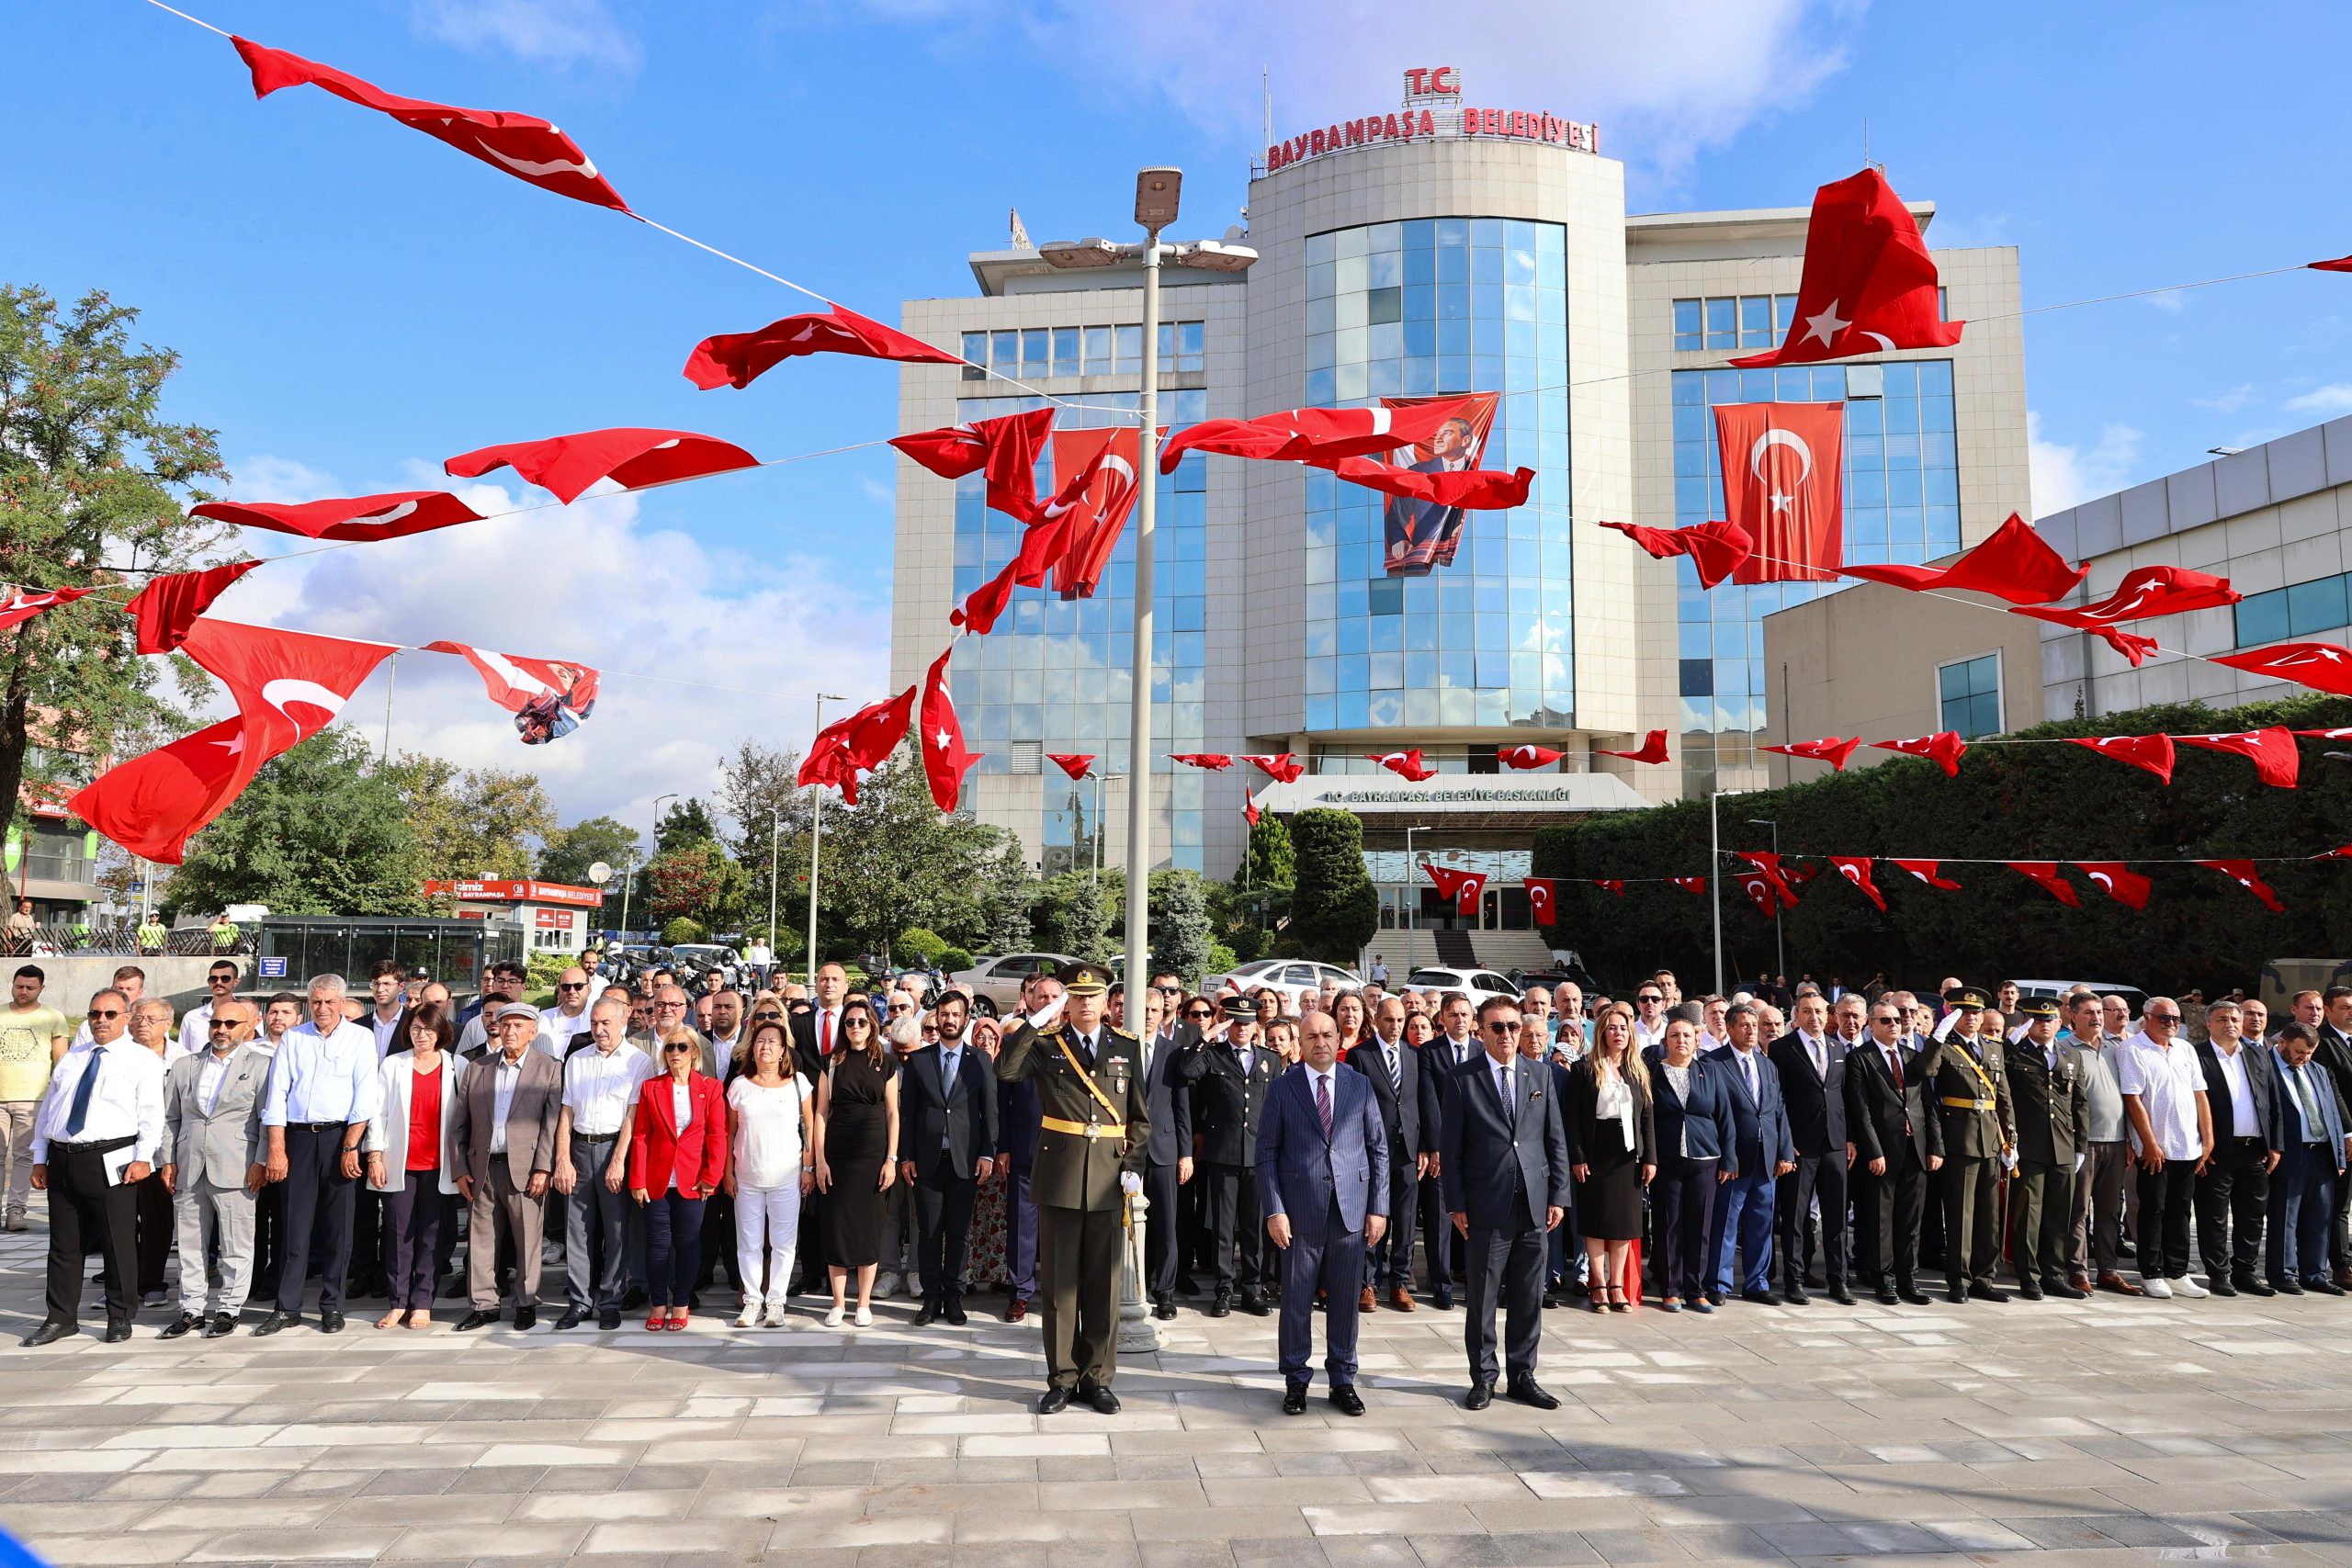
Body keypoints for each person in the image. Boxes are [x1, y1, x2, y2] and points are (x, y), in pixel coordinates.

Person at [994, 962, 1148, 1416]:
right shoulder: (1046, 1045)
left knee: (1103, 1284)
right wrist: (1037, 1020)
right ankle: (1061, 1378)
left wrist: (1133, 1164)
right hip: (1060, 1177)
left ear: (1106, 1003)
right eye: (1075, 997)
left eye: (1092, 997)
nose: (1084, 1004)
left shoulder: (1126, 1047)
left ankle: (1097, 1378)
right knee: (1060, 1286)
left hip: (1107, 1178)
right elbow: (1006, 1070)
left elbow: (1139, 1115)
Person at [1440, 996, 1568, 1411]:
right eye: (1497, 1027)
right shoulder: (1463, 1079)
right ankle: (1483, 1378)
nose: (1508, 1035)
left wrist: (1559, 1196)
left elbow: (1555, 1141)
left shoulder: (1541, 1075)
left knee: (1529, 1295)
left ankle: (1523, 1375)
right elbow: (1451, 1148)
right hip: (1485, 1204)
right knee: (1482, 1298)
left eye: (1514, 1026)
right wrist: (1455, 1203)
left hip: (1533, 1202)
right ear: (1481, 1031)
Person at [1258, 1010, 1387, 1416]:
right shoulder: (1282, 1088)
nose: (1321, 1042)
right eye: (1312, 1036)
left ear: (1338, 1038)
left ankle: (1343, 1380)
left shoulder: (1360, 1084)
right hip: (1299, 1214)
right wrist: (1275, 1210)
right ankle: (1296, 1380)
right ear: (1300, 1041)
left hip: (1351, 1211)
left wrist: (1378, 1208)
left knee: (1346, 1301)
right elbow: (1266, 1155)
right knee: (1296, 1299)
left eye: (1328, 1034)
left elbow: (1378, 1149)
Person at [20, 988, 164, 1346]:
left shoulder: (141, 1059)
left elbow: (151, 1113)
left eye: (110, 1014)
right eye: (95, 1014)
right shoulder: (72, 1057)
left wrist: (144, 1157)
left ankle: (119, 1315)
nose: (101, 1020)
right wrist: (40, 1157)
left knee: (118, 1241)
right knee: (64, 1244)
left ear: (127, 1018)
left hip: (112, 1156)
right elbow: (50, 1111)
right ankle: (60, 1317)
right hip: (64, 1155)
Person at [254, 975, 382, 1336]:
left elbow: (365, 1097)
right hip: (298, 1139)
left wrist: (350, 1146)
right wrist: (276, 1150)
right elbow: (276, 1096)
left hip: (340, 1136)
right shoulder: (295, 1038)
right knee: (293, 1227)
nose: (322, 1009)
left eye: (329, 1002)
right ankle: (287, 1306)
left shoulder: (361, 1038)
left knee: (338, 1229)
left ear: (342, 1002)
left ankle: (331, 1305)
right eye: (315, 1002)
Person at [156, 997, 269, 1338]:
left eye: (230, 1024)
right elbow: (170, 1118)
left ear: (247, 1028)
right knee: (190, 1242)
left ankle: (229, 1307)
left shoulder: (262, 1065)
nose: (221, 1030)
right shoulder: (185, 1065)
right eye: (216, 1023)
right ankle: (191, 1308)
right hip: (189, 1163)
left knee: (236, 1242)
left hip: (237, 1164)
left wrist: (261, 1160)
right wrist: (168, 1160)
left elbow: (268, 1120)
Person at [453, 1001, 563, 1331]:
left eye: (519, 1026)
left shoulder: (549, 1068)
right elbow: (460, 1123)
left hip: (526, 1169)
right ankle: (484, 1304)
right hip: (482, 1167)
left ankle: (526, 1302)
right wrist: (460, 1168)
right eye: (506, 1025)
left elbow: (551, 1123)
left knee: (528, 1238)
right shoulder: (478, 1068)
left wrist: (544, 1168)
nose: (511, 1031)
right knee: (482, 1237)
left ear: (533, 1031)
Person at [553, 995, 655, 1330]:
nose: (599, 1030)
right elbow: (566, 1112)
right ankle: (580, 1302)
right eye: (594, 1023)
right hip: (580, 1148)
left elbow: (632, 1116)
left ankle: (610, 1300)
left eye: (606, 1023)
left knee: (617, 1231)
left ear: (624, 1021)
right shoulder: (577, 1059)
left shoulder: (638, 1062)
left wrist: (619, 1161)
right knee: (577, 1232)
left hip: (614, 1147)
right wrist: (563, 1159)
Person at [360, 1002, 463, 1331]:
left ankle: (422, 1303)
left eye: (429, 1029)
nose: (422, 1036)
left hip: (439, 1164)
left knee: (432, 1236)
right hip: (399, 1163)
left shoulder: (457, 1065)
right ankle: (397, 1302)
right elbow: (378, 1114)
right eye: (416, 1029)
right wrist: (374, 1155)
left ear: (441, 1032)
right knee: (397, 1234)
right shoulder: (393, 1065)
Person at [899, 990, 997, 1327]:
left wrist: (987, 1152)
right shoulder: (920, 1060)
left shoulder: (980, 1061)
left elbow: (990, 1112)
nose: (950, 1020)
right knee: (928, 1232)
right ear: (936, 1018)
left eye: (956, 1014)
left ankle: (954, 1298)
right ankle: (931, 1298)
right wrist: (906, 1155)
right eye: (944, 1014)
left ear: (965, 1019)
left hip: (965, 1160)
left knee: (958, 1233)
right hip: (927, 1160)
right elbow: (907, 1112)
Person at [1915, 987, 2016, 1303]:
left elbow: (2003, 1096)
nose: (1971, 1018)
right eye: (1963, 1012)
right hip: (1959, 1139)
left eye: (1975, 1012)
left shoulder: (1993, 1049)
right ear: (1953, 1014)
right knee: (1961, 1214)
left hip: (1990, 1138)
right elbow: (1924, 1071)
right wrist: (1937, 1037)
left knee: (1989, 1215)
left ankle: (1984, 1277)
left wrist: (2010, 1138)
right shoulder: (1946, 1047)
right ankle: (1958, 1279)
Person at [628, 1027, 729, 1330]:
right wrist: (637, 1180)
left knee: (687, 1243)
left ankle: (682, 1303)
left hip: (694, 1180)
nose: (675, 1053)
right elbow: (642, 1135)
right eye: (670, 1047)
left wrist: (712, 1176)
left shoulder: (710, 1088)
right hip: (657, 1178)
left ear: (695, 1053)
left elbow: (717, 1134)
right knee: (658, 1244)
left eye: (682, 1047)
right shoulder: (651, 1087)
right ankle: (659, 1304)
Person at [1845, 997, 1939, 1305]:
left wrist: (1935, 1147)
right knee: (1880, 1220)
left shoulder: (1912, 1057)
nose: (1893, 1025)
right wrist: (1873, 1151)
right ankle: (1883, 1279)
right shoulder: (1861, 1058)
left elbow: (1928, 1106)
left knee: (1911, 1220)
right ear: (1870, 1024)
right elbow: (1860, 1111)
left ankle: (1907, 1279)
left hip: (1916, 1148)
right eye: (1885, 1020)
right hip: (1883, 1151)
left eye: (1897, 1020)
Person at [2119, 996, 2213, 1299]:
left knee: (2181, 1211)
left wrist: (2208, 1139)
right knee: (2153, 1209)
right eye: (2165, 1018)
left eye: (2176, 1019)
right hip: (2156, 1147)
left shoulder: (2185, 1049)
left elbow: (2200, 1094)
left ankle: (2177, 1271)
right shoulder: (2132, 1049)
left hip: (2188, 1145)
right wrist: (2149, 1143)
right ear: (2147, 1018)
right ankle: (2151, 1272)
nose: (2172, 1023)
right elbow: (2132, 1098)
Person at [812, 997, 899, 1327]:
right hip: (837, 1153)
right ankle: (837, 1303)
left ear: (872, 1025)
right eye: (850, 1022)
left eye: (862, 1021)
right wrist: (818, 1160)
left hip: (874, 1154)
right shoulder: (830, 1063)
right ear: (843, 1027)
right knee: (836, 1226)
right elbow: (820, 1113)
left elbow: (893, 1112)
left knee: (868, 1226)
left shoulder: (887, 1062)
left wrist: (891, 1158)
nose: (856, 1027)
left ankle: (863, 1303)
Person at [1566, 1000, 1657, 1312]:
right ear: (1602, 1032)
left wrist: (1650, 1158)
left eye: (1623, 1028)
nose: (1618, 1033)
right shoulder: (1583, 1069)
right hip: (1595, 1153)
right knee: (1596, 1222)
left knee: (1622, 1224)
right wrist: (1577, 1157)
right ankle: (1598, 1285)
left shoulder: (1636, 1069)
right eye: (1612, 1028)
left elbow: (1646, 1117)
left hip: (1628, 1156)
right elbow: (1573, 1118)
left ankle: (1617, 1286)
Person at [1704, 1002, 1794, 1306]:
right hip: (1734, 1159)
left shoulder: (1767, 1065)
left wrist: (1784, 1152)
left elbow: (1779, 1110)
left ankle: (1757, 1282)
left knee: (1762, 1223)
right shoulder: (1714, 1063)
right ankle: (1718, 1282)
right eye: (1743, 1025)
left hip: (1767, 1157)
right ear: (1729, 1029)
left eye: (1754, 1025)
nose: (1751, 1030)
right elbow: (1714, 1114)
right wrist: (1725, 1156)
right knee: (1727, 1221)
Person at [1194, 995, 1278, 1317]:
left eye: (1247, 1022)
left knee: (1255, 1227)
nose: (1241, 1028)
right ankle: (1224, 1289)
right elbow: (1187, 1070)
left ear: (1256, 1024)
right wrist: (1207, 1036)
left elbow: (1277, 1108)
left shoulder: (1270, 1059)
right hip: (1223, 1153)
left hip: (1259, 1155)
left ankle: (1252, 1290)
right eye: (1235, 1022)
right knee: (1223, 1227)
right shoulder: (1213, 1056)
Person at [1766, 991, 1851, 1306]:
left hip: (1835, 1144)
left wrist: (1849, 1139)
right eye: (1807, 1012)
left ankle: (1837, 1280)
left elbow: (1843, 1096)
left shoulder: (1837, 1047)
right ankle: (1794, 1279)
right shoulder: (1781, 1048)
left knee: (1836, 1217)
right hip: (1801, 1146)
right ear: (1796, 1016)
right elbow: (1778, 1100)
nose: (1814, 1017)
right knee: (1796, 1218)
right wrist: (1786, 1143)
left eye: (1819, 1011)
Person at [2192, 998, 2282, 1297]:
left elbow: (2273, 1102)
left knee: (2252, 1216)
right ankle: (2218, 1273)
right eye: (2221, 1019)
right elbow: (2191, 1105)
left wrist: (2276, 1145)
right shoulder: (2197, 1056)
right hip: (2217, 1151)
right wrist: (2199, 1148)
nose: (2229, 1024)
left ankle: (2245, 1272)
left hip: (2254, 1149)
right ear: (2208, 1024)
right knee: (2214, 1216)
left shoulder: (2258, 1055)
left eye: (2234, 1018)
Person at [728, 1020, 814, 1327]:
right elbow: (730, 1133)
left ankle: (776, 1302)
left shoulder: (799, 1083)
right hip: (747, 1175)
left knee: (783, 1243)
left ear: (782, 1051)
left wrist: (808, 1168)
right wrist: (728, 1173)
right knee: (749, 1243)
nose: (766, 1046)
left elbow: (809, 1129)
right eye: (760, 1041)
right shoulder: (739, 1086)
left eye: (772, 1042)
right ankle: (752, 1300)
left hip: (787, 1175)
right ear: (752, 1047)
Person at [1648, 1012, 1736, 1313]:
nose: (1681, 1040)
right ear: (1665, 1041)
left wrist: (1729, 1159)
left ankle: (1695, 1290)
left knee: (1700, 1226)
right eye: (1674, 1036)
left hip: (1705, 1158)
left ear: (1697, 1039)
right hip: (1667, 1159)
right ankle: (1670, 1289)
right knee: (1669, 1223)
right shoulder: (1653, 1073)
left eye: (1686, 1035)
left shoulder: (1710, 1072)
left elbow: (1725, 1118)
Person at [1353, 995, 1436, 1312]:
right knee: (1374, 1215)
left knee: (1404, 1218)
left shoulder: (1416, 1056)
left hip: (1409, 1150)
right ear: (1376, 1020)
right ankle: (1368, 1283)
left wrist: (1428, 1146)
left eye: (1401, 1021)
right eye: (1389, 1020)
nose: (1396, 1026)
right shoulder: (1362, 1056)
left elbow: (1425, 1104)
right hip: (1372, 1150)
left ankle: (1400, 1282)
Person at [2005, 998, 2090, 1300]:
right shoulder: (2013, 1053)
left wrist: (2081, 1145)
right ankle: (2029, 1276)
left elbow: (2079, 1103)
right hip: (2029, 1146)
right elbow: (2007, 1101)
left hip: (2064, 1146)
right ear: (2029, 1022)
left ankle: (2054, 1274)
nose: (2044, 1024)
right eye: (2038, 1019)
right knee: (2029, 1214)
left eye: (2050, 1019)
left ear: (2059, 1022)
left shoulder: (2071, 1055)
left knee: (2059, 1214)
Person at [1127, 986, 1200, 1320]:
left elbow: (1182, 1108)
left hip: (1164, 1150)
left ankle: (1165, 1292)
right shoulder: (1120, 1047)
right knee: (1125, 1221)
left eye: (1153, 1010)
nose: (1147, 1015)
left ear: (1162, 1014)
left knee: (1166, 1224)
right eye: (1141, 1009)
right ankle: (1132, 1285)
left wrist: (1185, 1153)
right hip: (1125, 1150)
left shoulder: (1175, 1052)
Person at [2267, 1023, 2350, 1294]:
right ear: (2283, 1043)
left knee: (2320, 1217)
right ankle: (2283, 1274)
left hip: (2322, 1154)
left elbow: (2332, 1114)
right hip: (2291, 1153)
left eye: (2310, 1052)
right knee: (2285, 1218)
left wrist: (2339, 1156)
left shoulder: (2317, 1070)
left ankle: (2314, 1273)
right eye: (2300, 1051)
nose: (2304, 1058)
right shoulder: (2266, 1068)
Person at [2063, 995, 2136, 1297]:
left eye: (2098, 1012)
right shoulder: (2063, 1048)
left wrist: (2131, 1139)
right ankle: (2077, 1271)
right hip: (2083, 1144)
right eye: (2088, 1012)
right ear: (2072, 1015)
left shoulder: (2116, 1050)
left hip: (2117, 1142)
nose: (2096, 1018)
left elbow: (2131, 1097)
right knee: (2078, 1210)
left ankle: (2108, 1270)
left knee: (2109, 1210)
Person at [993, 973, 1055, 1324]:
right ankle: (1020, 1293)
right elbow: (1004, 1096)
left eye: (1052, 997)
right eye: (1040, 996)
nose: (1046, 1001)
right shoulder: (1018, 1038)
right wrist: (1003, 1147)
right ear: (1030, 1001)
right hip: (1025, 1148)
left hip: (1068, 1150)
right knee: (1022, 1227)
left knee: (1062, 1227)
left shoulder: (1071, 1040)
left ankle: (1061, 1291)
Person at [1419, 993, 1481, 1311]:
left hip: (1478, 1149)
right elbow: (1429, 1102)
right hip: (1444, 1148)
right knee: (1440, 1219)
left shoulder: (1483, 1050)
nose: (1459, 1020)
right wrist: (1436, 1146)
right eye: (1452, 1014)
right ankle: (1441, 1284)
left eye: (1464, 1014)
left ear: (1473, 1018)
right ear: (1441, 1018)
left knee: (1476, 1218)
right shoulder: (1430, 1052)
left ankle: (1475, 1282)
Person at [0, 964, 69, 1232]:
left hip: (33, 1097)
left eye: (30, 987)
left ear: (41, 988)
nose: (24, 992)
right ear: (12, 985)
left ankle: (16, 1210)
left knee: (23, 1156)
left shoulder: (53, 1017)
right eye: (19, 986)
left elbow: (61, 1062)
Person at [175, 958, 245, 1057]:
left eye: (225, 978)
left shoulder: (248, 1014)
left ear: (236, 982)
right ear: (209, 982)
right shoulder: (191, 1017)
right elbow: (183, 1053)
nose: (219, 982)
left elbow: (255, 1046)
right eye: (213, 979)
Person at [542, 966, 596, 1057]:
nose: (572, 991)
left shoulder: (600, 1020)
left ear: (589, 989)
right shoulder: (542, 1018)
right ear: (559, 989)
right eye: (566, 987)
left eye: (578, 986)